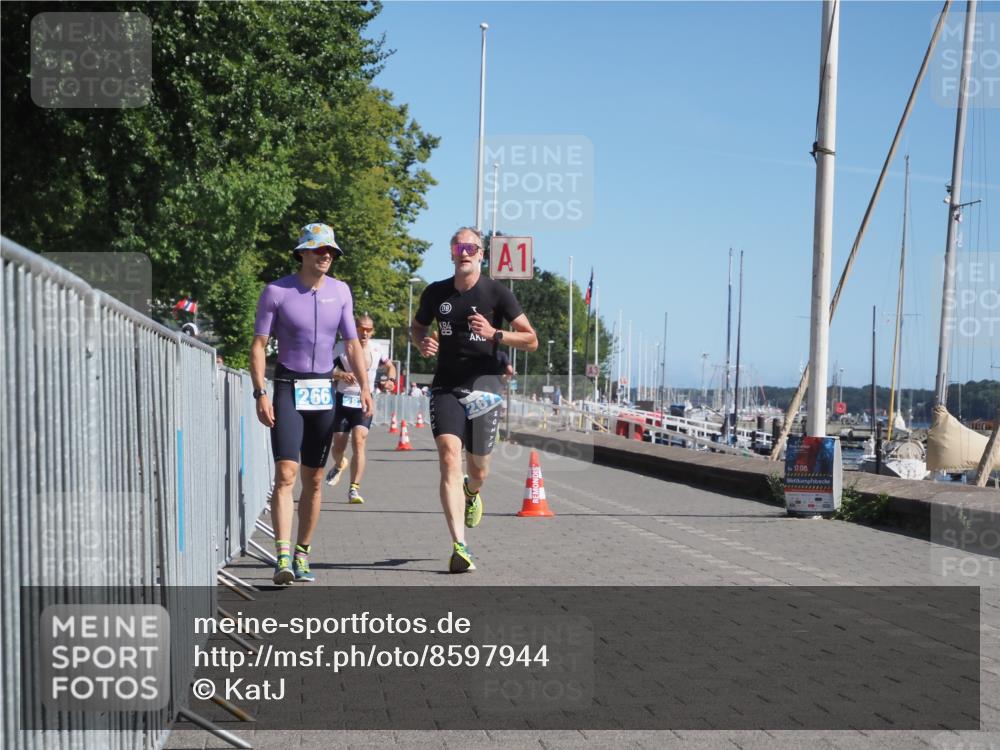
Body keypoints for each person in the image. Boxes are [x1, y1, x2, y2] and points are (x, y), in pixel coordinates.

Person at [250, 223, 373, 585]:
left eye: (331, 252)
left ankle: (303, 553)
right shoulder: (277, 291)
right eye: (319, 250)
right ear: (302, 252)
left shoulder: (341, 291)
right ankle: (283, 556)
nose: (326, 256)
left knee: (315, 479)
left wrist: (365, 388)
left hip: (323, 390)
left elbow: (351, 345)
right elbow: (258, 345)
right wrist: (260, 392)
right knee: (286, 474)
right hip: (288, 385)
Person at [412, 227, 537, 573]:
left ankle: (472, 492)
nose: (464, 252)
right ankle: (459, 546)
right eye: (458, 246)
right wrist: (422, 342)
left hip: (484, 388)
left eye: (471, 247)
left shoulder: (497, 292)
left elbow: (531, 339)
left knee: (478, 469)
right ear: (451, 253)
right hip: (446, 386)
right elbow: (417, 326)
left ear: (481, 254)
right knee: (450, 458)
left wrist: (496, 334)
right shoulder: (436, 292)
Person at [325, 313, 396, 503]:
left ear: (372, 332)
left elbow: (391, 368)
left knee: (359, 441)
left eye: (368, 330)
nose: (364, 333)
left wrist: (390, 380)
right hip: (343, 399)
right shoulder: (340, 347)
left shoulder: (377, 349)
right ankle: (340, 464)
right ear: (354, 328)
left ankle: (353, 489)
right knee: (338, 445)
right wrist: (340, 374)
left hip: (364, 400)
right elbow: (324, 369)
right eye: (360, 329)